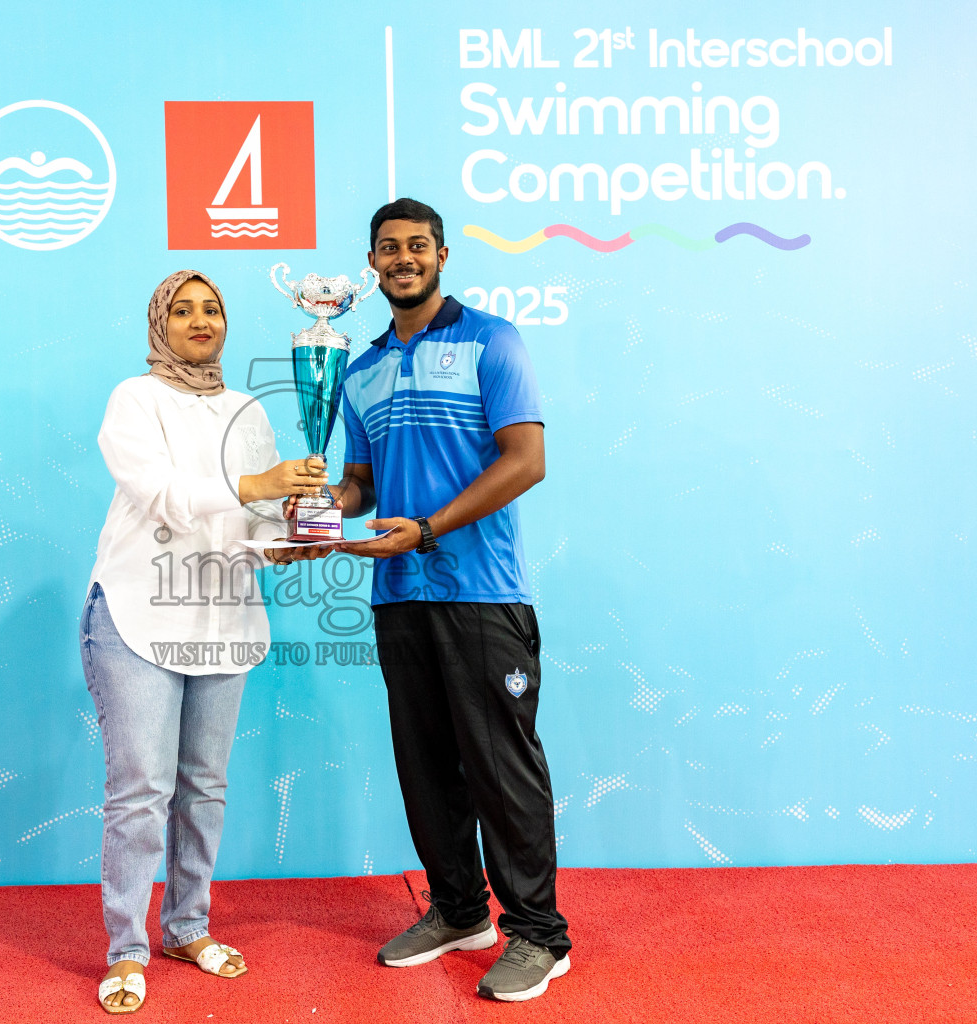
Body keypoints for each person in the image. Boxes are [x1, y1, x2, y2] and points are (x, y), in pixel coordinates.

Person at [318, 198, 572, 1002]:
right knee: (426, 768)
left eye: (417, 245)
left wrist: (427, 528)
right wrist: (320, 506)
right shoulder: (359, 370)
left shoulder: (492, 340)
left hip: (483, 590)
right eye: (389, 248)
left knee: (501, 768)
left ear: (441, 255)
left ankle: (539, 934)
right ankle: (461, 912)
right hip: (398, 593)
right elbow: (360, 484)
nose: (404, 258)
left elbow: (525, 460)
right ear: (371, 264)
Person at [82, 269, 326, 1013]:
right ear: (160, 324)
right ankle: (126, 949)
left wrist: (293, 538)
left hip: (223, 620)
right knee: (140, 792)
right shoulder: (135, 399)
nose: (199, 320)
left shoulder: (247, 410)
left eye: (211, 308)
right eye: (182, 309)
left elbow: (254, 526)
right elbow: (162, 495)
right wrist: (260, 486)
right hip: (138, 614)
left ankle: (187, 926)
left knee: (205, 787)